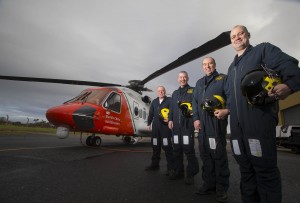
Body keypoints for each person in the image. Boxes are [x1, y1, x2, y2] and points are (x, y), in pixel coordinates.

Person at [222, 25, 300, 203]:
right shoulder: (231, 68)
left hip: (258, 122)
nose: (237, 37)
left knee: (265, 171)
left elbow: (289, 65)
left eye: (240, 33)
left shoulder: (263, 50)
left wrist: (290, 85)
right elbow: (230, 97)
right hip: (237, 128)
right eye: (233, 36)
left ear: (248, 35)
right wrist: (226, 110)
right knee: (245, 170)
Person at [192, 57, 230, 202]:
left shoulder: (223, 79)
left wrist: (227, 110)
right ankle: (208, 185)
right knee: (205, 155)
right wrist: (195, 118)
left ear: (214, 65)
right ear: (202, 67)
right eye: (205, 64)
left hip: (216, 122)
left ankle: (221, 189)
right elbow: (195, 103)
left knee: (218, 156)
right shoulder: (199, 83)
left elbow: (231, 97)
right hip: (202, 125)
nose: (207, 66)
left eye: (210, 64)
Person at [168, 71, 199, 185]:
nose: (182, 79)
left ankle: (191, 174)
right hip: (176, 128)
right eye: (181, 77)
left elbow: (196, 106)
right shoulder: (175, 93)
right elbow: (171, 108)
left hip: (187, 127)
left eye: (184, 77)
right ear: (178, 79)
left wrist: (195, 119)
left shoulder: (193, 91)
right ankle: (178, 171)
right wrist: (170, 119)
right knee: (176, 150)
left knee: (189, 151)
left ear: (188, 78)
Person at [145, 86, 174, 175]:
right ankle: (155, 164)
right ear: (157, 93)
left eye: (162, 90)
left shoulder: (169, 100)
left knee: (167, 147)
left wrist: (170, 119)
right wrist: (149, 123)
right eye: (159, 91)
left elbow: (172, 111)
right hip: (156, 128)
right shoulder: (154, 102)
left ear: (165, 91)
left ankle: (170, 167)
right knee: (155, 146)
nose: (161, 92)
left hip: (165, 128)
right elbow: (151, 114)